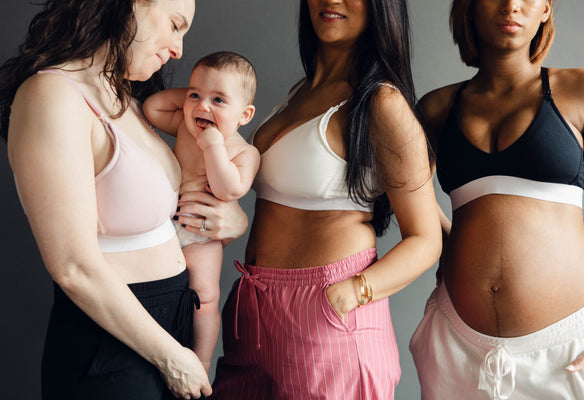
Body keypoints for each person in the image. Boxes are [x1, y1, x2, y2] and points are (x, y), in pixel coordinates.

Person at [0, 0, 248, 398]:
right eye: (175, 25)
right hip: (116, 344)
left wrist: (235, 221)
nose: (179, 49)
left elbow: (163, 210)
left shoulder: (123, 97)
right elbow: (73, 266)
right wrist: (171, 358)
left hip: (168, 326)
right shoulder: (52, 96)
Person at [208, 0, 442, 399]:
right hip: (254, 312)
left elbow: (426, 238)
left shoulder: (382, 103)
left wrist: (353, 292)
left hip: (326, 313)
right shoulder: (301, 91)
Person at [410, 0, 584, 399]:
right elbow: (405, 199)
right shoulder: (436, 109)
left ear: (545, 9)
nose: (511, 6)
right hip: (457, 346)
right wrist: (451, 242)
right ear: (469, 8)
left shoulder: (576, 90)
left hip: (566, 348)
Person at [143, 51, 260, 373]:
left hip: (202, 235)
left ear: (244, 114)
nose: (203, 106)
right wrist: (199, 98)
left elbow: (229, 189)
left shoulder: (244, 152)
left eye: (219, 100)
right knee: (157, 288)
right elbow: (152, 107)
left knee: (204, 298)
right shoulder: (185, 124)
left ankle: (202, 359)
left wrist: (213, 146)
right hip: (164, 224)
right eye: (195, 94)